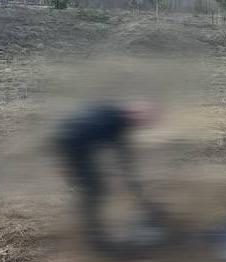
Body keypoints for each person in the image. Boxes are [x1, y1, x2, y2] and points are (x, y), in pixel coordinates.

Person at [54, 100, 160, 253]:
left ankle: (91, 225)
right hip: (71, 143)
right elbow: (123, 160)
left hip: (73, 139)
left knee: (95, 187)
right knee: (94, 191)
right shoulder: (115, 120)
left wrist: (140, 196)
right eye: (143, 120)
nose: (142, 124)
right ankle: (94, 238)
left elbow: (123, 158)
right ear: (135, 112)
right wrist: (138, 192)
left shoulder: (115, 112)